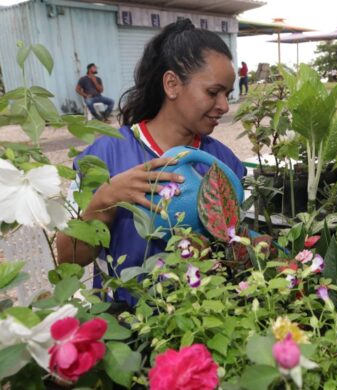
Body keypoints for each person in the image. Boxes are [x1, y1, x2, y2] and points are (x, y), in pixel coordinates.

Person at [57, 19, 246, 306]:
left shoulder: (223, 162)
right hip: (123, 333)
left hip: (204, 328)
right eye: (213, 92)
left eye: (227, 95)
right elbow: (69, 260)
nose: (223, 106)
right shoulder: (105, 155)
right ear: (172, 84)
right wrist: (104, 201)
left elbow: (240, 250)